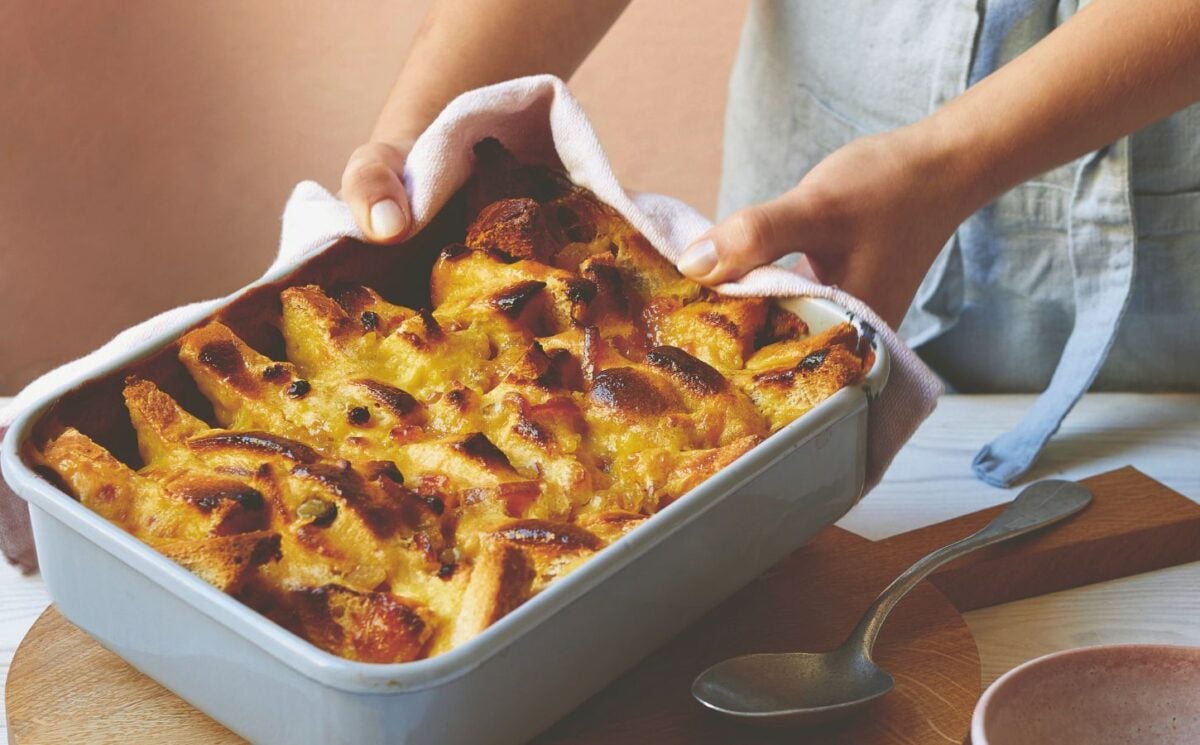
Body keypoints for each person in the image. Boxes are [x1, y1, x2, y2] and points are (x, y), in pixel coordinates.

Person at [338, 0, 1200, 486]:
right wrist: (427, 132)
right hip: (824, 170)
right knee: (734, 440)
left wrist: (941, 164)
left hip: (1168, 330)